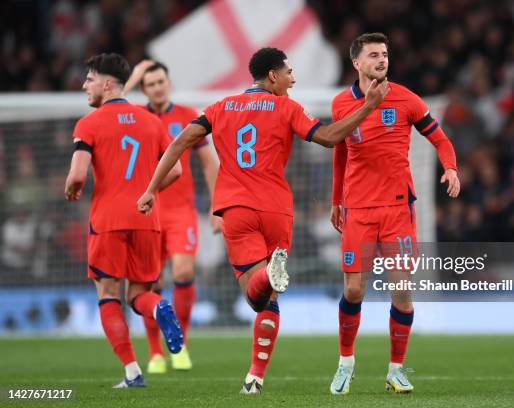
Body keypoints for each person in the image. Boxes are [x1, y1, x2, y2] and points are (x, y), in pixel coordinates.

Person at [137, 47, 388, 394]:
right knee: (269, 301)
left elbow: (180, 142)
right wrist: (369, 106)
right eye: (289, 73)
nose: (293, 79)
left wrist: (151, 189)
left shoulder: (220, 108)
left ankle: (266, 283)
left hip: (236, 209)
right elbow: (330, 139)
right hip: (277, 210)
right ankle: (254, 377)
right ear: (272, 76)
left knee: (256, 296)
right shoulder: (287, 107)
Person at [329, 33, 460, 395]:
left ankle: (396, 370)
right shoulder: (341, 103)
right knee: (353, 290)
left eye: (384, 54)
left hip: (398, 209)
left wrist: (450, 168)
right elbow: (340, 153)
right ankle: (345, 363)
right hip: (357, 208)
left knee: (401, 291)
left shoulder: (405, 98)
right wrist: (335, 199)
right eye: (373, 55)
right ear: (357, 63)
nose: (381, 60)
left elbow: (440, 138)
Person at [64, 53, 184, 388]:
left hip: (108, 219)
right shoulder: (151, 121)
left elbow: (77, 174)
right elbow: (175, 170)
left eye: (89, 79)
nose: (85, 86)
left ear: (106, 83)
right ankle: (159, 307)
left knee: (108, 293)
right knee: (139, 295)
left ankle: (132, 371)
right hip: (148, 218)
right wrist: (147, 191)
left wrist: (71, 188)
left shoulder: (89, 123)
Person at [124, 60, 222, 374]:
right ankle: (154, 352)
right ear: (144, 89)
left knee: (182, 272)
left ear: (168, 82)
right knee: (153, 282)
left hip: (181, 212)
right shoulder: (135, 117)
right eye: (150, 84)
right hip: (147, 212)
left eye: (161, 81)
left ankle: (180, 345)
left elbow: (209, 163)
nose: (157, 87)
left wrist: (216, 203)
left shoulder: (188, 116)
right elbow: (105, 111)